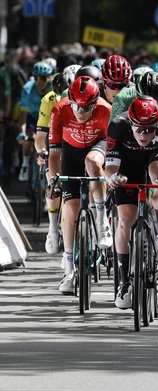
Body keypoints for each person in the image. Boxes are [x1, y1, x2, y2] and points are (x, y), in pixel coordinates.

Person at [105, 96, 158, 308]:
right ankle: (124, 282)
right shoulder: (118, 126)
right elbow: (109, 167)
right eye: (139, 129)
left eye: (149, 129)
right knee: (125, 220)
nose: (144, 134)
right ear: (131, 123)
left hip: (154, 159)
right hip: (127, 163)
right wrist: (112, 178)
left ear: (157, 124)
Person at [48, 76, 113, 294]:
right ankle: (68, 267)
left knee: (93, 162)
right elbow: (54, 153)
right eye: (76, 105)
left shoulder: (106, 110)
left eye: (86, 107)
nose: (80, 111)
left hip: (98, 146)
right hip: (71, 151)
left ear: (95, 103)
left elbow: (114, 152)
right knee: (71, 208)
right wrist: (53, 180)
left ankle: (102, 222)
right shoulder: (59, 110)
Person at [35, 72, 69, 255]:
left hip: (79, 138)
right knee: (54, 182)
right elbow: (41, 137)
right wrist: (43, 151)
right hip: (55, 138)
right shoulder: (49, 100)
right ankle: (53, 228)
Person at [18, 61, 53, 182]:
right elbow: (23, 116)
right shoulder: (28, 88)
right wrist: (22, 133)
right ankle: (25, 164)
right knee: (28, 140)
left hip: (47, 117)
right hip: (33, 117)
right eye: (37, 78)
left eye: (43, 78)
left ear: (49, 77)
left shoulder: (53, 87)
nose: (40, 81)